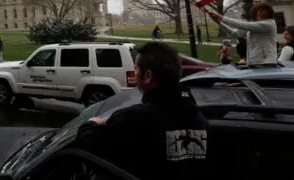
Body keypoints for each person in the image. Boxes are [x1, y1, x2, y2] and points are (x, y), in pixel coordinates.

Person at [75, 42, 208, 180]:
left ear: (148, 76)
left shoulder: (134, 118)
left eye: (136, 69)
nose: (134, 74)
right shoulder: (199, 119)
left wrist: (91, 124)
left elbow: (88, 145)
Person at [206, 2, 277, 66]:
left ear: (270, 12)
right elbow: (235, 33)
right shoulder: (253, 26)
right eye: (259, 10)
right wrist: (219, 22)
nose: (262, 13)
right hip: (253, 63)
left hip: (266, 63)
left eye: (264, 10)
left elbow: (242, 24)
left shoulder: (269, 24)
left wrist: (221, 17)